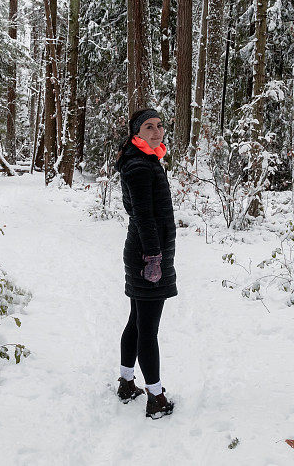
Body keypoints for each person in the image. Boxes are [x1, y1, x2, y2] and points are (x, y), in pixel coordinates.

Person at [113, 109, 177, 419]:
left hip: (142, 251)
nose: (156, 131)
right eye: (148, 127)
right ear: (137, 133)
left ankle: (126, 383)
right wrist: (154, 258)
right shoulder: (140, 166)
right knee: (148, 329)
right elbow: (143, 216)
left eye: (159, 125)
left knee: (137, 321)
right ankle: (156, 397)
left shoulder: (144, 160)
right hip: (146, 254)